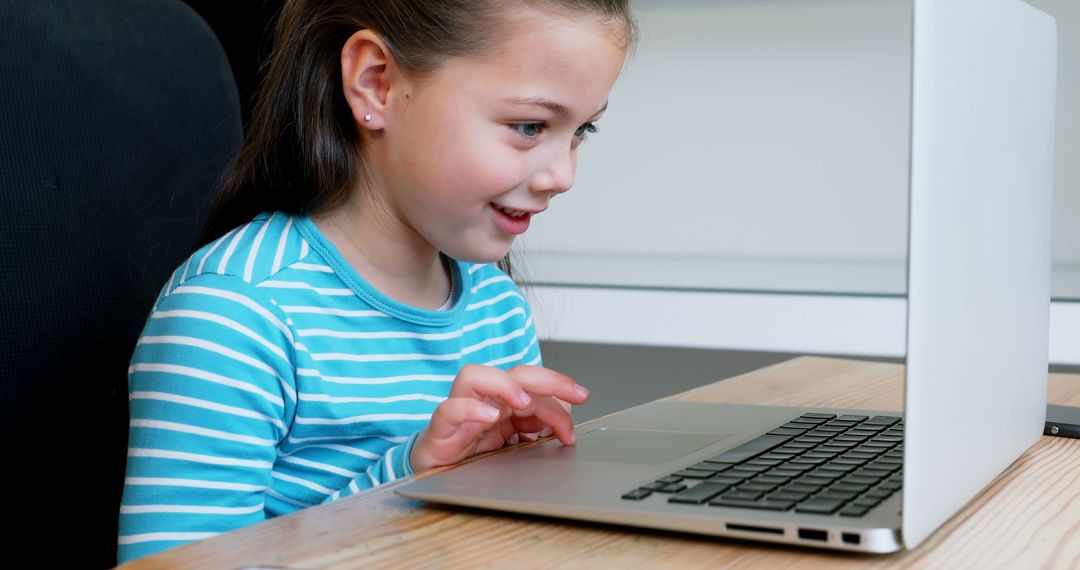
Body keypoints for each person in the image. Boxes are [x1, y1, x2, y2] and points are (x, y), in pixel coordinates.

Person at [116, 0, 636, 563]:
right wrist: (408, 475)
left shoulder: (494, 304)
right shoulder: (235, 314)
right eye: (529, 126)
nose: (564, 176)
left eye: (581, 129)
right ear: (376, 84)